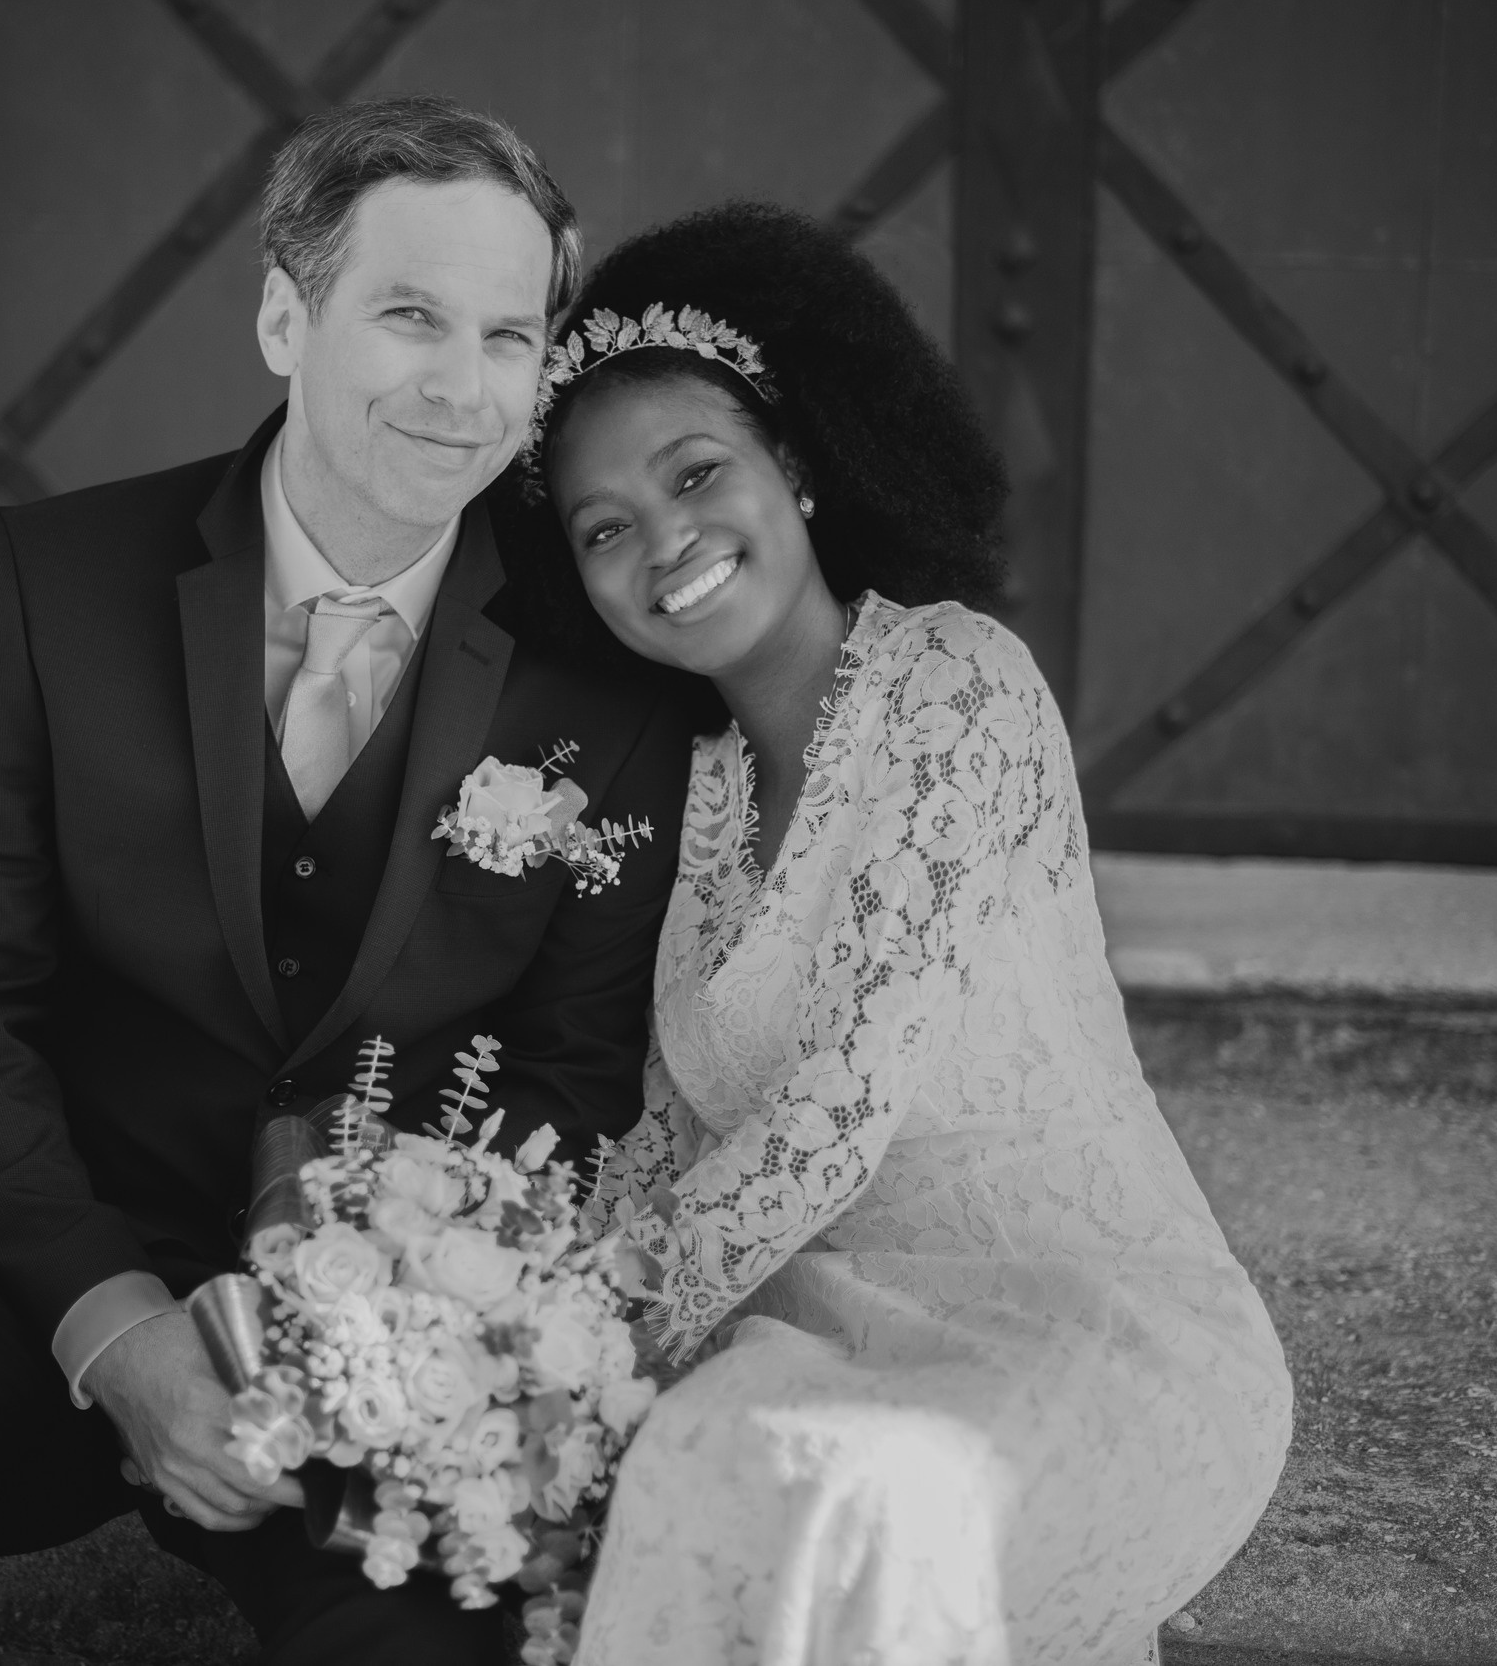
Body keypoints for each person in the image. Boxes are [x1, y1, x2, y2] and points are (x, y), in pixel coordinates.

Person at [0, 97, 693, 1666]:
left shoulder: (609, 682)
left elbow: (571, 1076)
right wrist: (115, 1326)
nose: (465, 389)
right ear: (281, 315)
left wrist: (379, 1327)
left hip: (382, 1333)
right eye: (409, 317)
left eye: (512, 338)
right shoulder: (44, 586)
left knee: (440, 1638)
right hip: (32, 1256)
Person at [509, 202, 1293, 1666]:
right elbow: (667, 1136)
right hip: (822, 1322)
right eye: (604, 528)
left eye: (697, 473)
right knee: (695, 1480)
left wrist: (582, 1342)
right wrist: (514, 1307)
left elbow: (839, 1111)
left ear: (796, 469)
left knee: (879, 1511)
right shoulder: (690, 797)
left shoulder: (958, 687)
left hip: (1086, 1323)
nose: (663, 540)